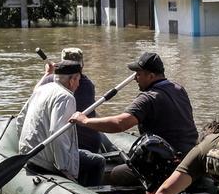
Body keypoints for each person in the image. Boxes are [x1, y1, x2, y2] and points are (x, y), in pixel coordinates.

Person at [69, 52, 198, 186]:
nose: (135, 78)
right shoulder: (179, 89)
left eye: (139, 74)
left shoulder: (148, 98)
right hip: (189, 158)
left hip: (166, 162)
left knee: (115, 174)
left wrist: (84, 120)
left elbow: (120, 124)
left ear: (151, 76)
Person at [16, 60, 105, 187]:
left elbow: (20, 120)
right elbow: (57, 133)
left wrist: (24, 151)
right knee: (98, 161)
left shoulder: (41, 89)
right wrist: (64, 169)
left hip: (30, 155)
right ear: (72, 80)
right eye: (78, 80)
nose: (79, 84)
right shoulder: (66, 97)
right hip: (46, 161)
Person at [35, 47, 101, 153]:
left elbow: (35, 94)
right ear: (82, 64)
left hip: (70, 146)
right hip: (88, 145)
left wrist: (48, 74)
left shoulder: (50, 79)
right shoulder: (88, 84)